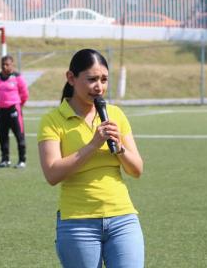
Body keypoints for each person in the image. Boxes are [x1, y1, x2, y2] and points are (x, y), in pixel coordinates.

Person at [37, 49, 145, 268]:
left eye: (104, 79)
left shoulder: (115, 114)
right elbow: (52, 173)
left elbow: (137, 170)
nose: (99, 87)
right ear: (71, 78)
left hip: (123, 218)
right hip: (78, 222)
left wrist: (120, 148)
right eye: (92, 79)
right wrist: (94, 144)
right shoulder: (52, 120)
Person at [0, 55, 29, 169]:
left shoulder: (17, 77)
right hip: (1, 110)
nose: (4, 66)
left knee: (19, 135)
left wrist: (18, 105)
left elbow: (25, 94)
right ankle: (5, 160)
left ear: (12, 65)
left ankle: (22, 160)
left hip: (14, 109)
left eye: (7, 64)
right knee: (2, 136)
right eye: (3, 64)